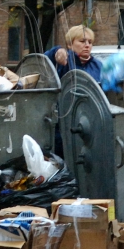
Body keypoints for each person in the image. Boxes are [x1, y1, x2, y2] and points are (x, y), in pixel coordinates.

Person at [44, 25, 102, 158]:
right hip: (63, 125)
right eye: (82, 41)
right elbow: (43, 61)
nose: (87, 45)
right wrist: (56, 51)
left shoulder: (98, 66)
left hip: (90, 125)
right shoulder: (65, 61)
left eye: (90, 42)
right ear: (70, 44)